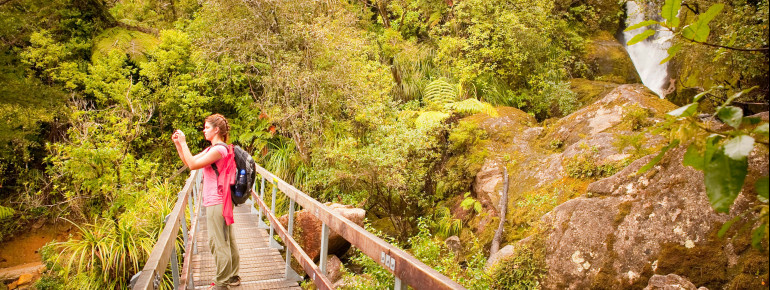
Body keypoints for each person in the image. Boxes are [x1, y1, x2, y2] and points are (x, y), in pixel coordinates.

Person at [172, 114, 240, 290]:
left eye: (207, 127)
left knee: (218, 243)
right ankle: (231, 277)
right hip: (221, 200)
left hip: (217, 201)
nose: (204, 130)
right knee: (226, 240)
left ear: (216, 130)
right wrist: (179, 145)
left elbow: (193, 164)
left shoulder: (218, 150)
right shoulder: (215, 149)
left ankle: (221, 283)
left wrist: (184, 142)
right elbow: (190, 162)